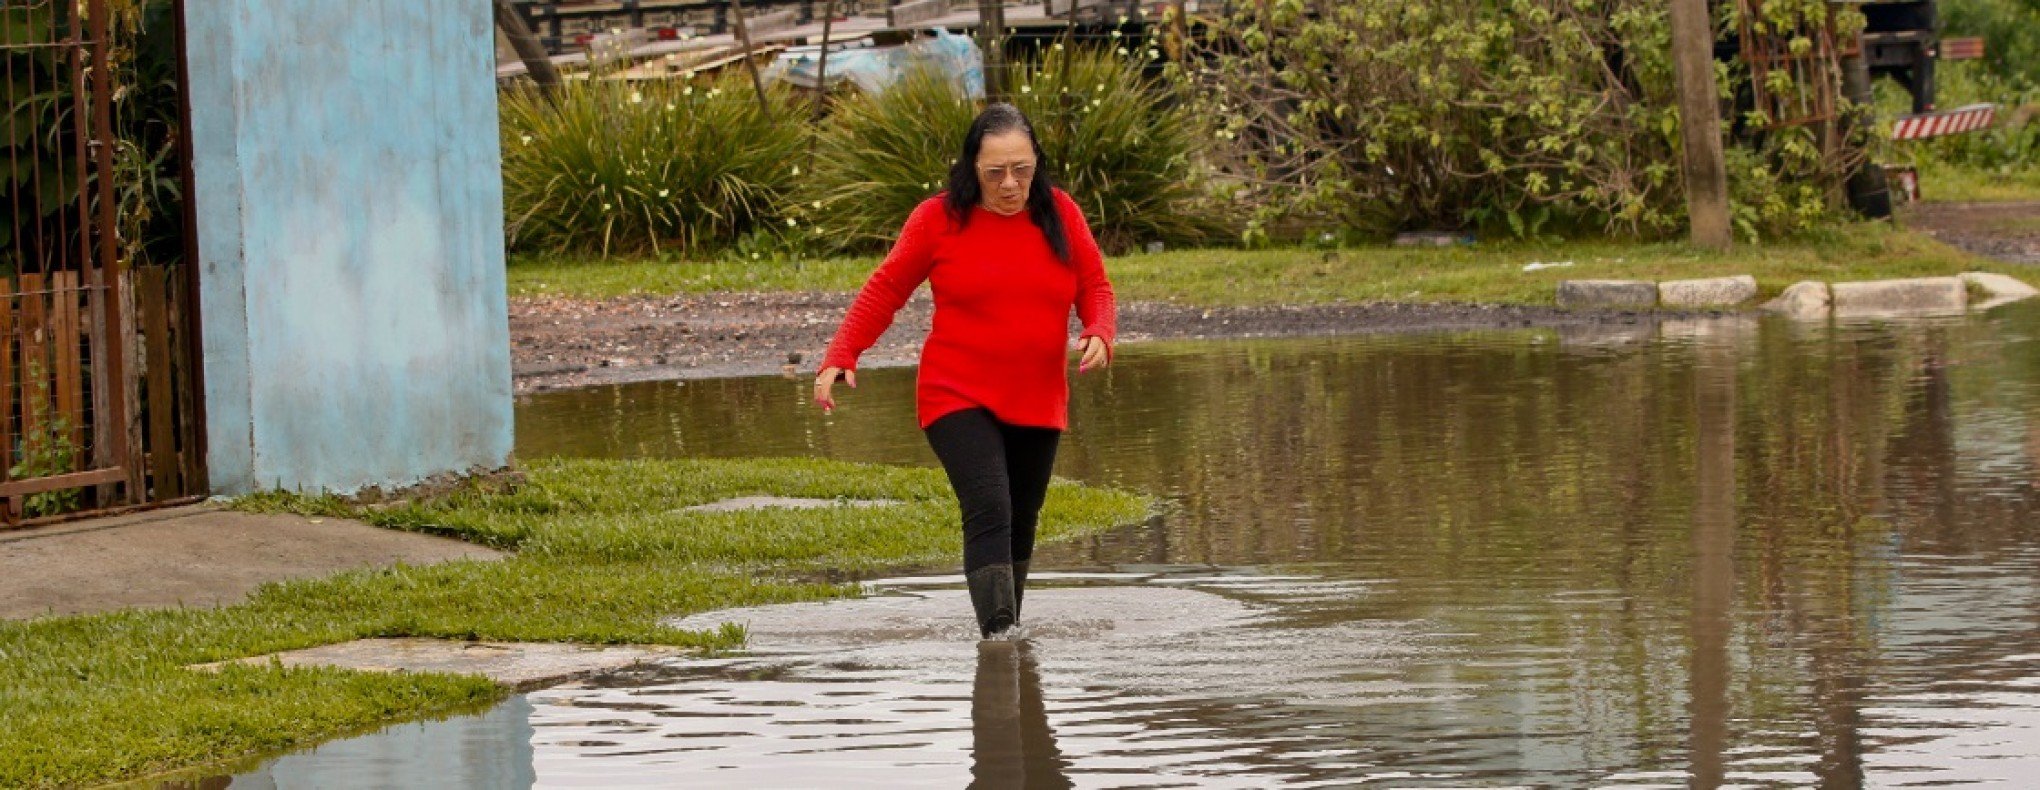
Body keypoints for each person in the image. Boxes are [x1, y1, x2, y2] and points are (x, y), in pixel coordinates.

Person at [814, 103, 1117, 640]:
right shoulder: (937, 219)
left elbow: (1094, 285)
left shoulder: (1061, 213)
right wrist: (842, 353)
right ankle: (999, 639)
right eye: (994, 172)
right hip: (956, 392)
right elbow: (887, 289)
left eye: (1021, 170)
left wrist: (1099, 329)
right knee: (990, 504)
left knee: (1022, 518)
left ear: (1036, 165)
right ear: (971, 169)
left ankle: (1008, 648)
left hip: (1037, 395)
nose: (1009, 184)